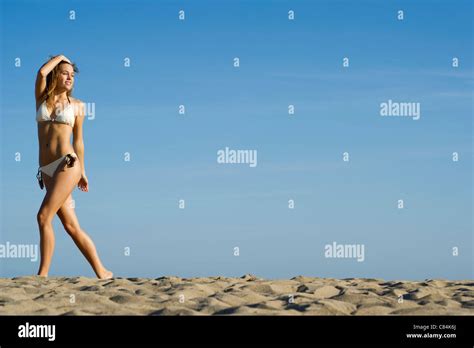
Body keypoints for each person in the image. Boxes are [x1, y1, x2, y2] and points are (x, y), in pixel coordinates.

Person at [35, 54, 112, 279]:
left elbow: (78, 141)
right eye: (64, 73)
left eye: (72, 75)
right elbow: (41, 73)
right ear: (55, 76)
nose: (70, 77)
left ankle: (42, 275)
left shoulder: (77, 106)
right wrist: (60, 56)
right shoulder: (41, 98)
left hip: (67, 164)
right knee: (70, 226)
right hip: (46, 169)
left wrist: (83, 171)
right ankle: (103, 271)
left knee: (43, 217)